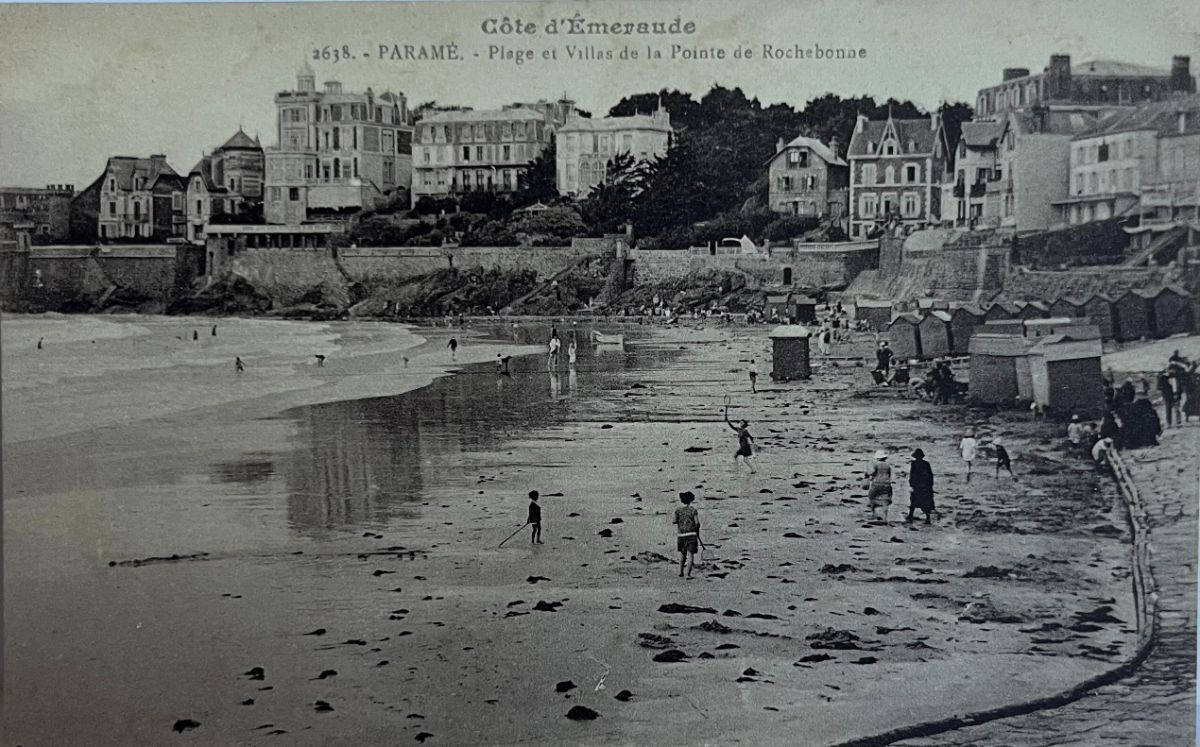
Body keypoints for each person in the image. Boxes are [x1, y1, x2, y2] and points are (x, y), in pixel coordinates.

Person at [673, 491, 701, 579]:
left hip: (681, 535)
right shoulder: (693, 510)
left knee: (682, 554)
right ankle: (688, 575)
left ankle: (680, 572)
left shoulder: (678, 510)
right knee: (690, 555)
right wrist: (696, 527)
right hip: (691, 534)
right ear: (691, 500)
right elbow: (697, 523)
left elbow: (674, 521)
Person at [906, 448, 935, 525]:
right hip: (926, 486)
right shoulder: (926, 464)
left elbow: (912, 475)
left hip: (917, 485)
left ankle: (910, 516)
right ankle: (927, 518)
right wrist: (930, 485)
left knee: (913, 501)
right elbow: (930, 475)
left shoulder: (914, 464)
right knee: (926, 502)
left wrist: (911, 484)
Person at [725, 406, 756, 473]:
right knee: (736, 456)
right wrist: (727, 420)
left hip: (745, 446)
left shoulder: (745, 431)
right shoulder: (739, 429)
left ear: (744, 424)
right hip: (742, 446)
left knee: (744, 459)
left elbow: (751, 437)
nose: (740, 423)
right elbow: (732, 426)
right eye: (740, 422)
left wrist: (753, 445)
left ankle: (753, 470)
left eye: (742, 422)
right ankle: (737, 469)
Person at [865, 449, 893, 525]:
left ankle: (874, 514)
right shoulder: (888, 465)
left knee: (872, 497)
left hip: (877, 483)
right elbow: (889, 475)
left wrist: (867, 474)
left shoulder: (876, 464)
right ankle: (885, 517)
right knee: (885, 501)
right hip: (887, 483)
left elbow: (872, 473)